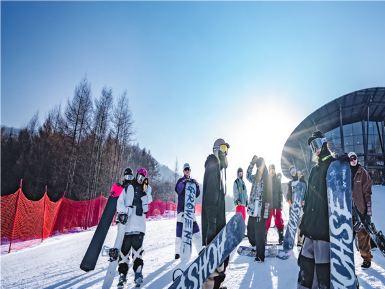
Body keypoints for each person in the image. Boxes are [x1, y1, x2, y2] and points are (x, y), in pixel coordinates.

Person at [297, 131, 335, 289]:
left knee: (322, 271)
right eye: (312, 147)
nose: (315, 149)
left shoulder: (333, 166)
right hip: (310, 229)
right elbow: (309, 201)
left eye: (317, 144)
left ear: (324, 142)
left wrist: (344, 165)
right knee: (305, 265)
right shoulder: (314, 170)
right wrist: (303, 224)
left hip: (323, 230)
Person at [116, 167, 153, 288]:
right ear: (136, 175)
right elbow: (119, 204)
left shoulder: (146, 190)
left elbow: (147, 207)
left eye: (143, 177)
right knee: (124, 254)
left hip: (139, 227)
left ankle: (138, 274)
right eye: (139, 176)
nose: (140, 178)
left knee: (137, 253)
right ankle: (122, 275)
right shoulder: (127, 187)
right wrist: (127, 210)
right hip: (126, 228)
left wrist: (146, 194)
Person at [202, 138, 229, 289]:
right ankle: (209, 287)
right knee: (214, 258)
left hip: (217, 221)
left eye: (227, 150)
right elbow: (210, 197)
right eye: (223, 148)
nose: (225, 152)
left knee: (220, 258)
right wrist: (211, 226)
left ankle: (216, 286)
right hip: (214, 222)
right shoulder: (213, 165)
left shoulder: (218, 167)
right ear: (216, 149)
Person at [349, 151, 373, 268]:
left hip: (360, 209)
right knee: (348, 235)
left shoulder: (362, 172)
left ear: (357, 159)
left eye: (354, 158)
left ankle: (366, 259)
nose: (353, 160)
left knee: (362, 236)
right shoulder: (346, 172)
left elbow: (368, 194)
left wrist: (368, 213)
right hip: (348, 209)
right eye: (350, 159)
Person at [246, 155, 272, 262]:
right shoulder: (256, 177)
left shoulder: (267, 178)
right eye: (257, 166)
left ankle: (260, 255)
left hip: (261, 210)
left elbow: (269, 196)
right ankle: (256, 246)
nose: (259, 168)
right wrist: (252, 163)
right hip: (253, 209)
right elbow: (247, 175)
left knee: (259, 233)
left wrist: (266, 212)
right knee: (250, 231)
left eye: (259, 166)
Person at [174, 163, 202, 260]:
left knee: (195, 229)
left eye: (188, 169)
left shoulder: (192, 181)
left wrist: (196, 185)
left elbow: (197, 193)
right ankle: (177, 252)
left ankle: (200, 249)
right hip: (182, 210)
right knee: (179, 230)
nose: (187, 171)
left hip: (190, 211)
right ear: (183, 171)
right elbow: (178, 189)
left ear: (190, 171)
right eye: (185, 169)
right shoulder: (180, 181)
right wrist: (184, 182)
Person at [265, 164, 284, 244]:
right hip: (268, 205)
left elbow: (280, 193)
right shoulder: (267, 180)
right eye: (270, 169)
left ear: (274, 170)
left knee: (278, 220)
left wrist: (281, 203)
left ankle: (281, 237)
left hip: (276, 205)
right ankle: (264, 237)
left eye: (273, 169)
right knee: (267, 221)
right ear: (269, 170)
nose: (272, 170)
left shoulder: (277, 180)